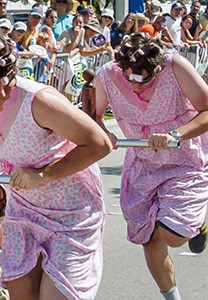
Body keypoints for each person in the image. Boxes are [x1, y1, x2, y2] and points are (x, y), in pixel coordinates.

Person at [0, 25, 112, 300]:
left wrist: (44, 175)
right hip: (24, 208)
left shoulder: (40, 101)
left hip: (71, 212)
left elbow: (100, 143)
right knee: (21, 293)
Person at [92, 33, 208, 300]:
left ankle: (198, 224)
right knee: (150, 237)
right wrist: (103, 133)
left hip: (184, 160)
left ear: (157, 68)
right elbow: (94, 116)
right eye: (130, 78)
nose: (137, 87)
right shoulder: (107, 76)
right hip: (142, 163)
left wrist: (176, 134)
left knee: (174, 235)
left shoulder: (176, 66)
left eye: (145, 80)